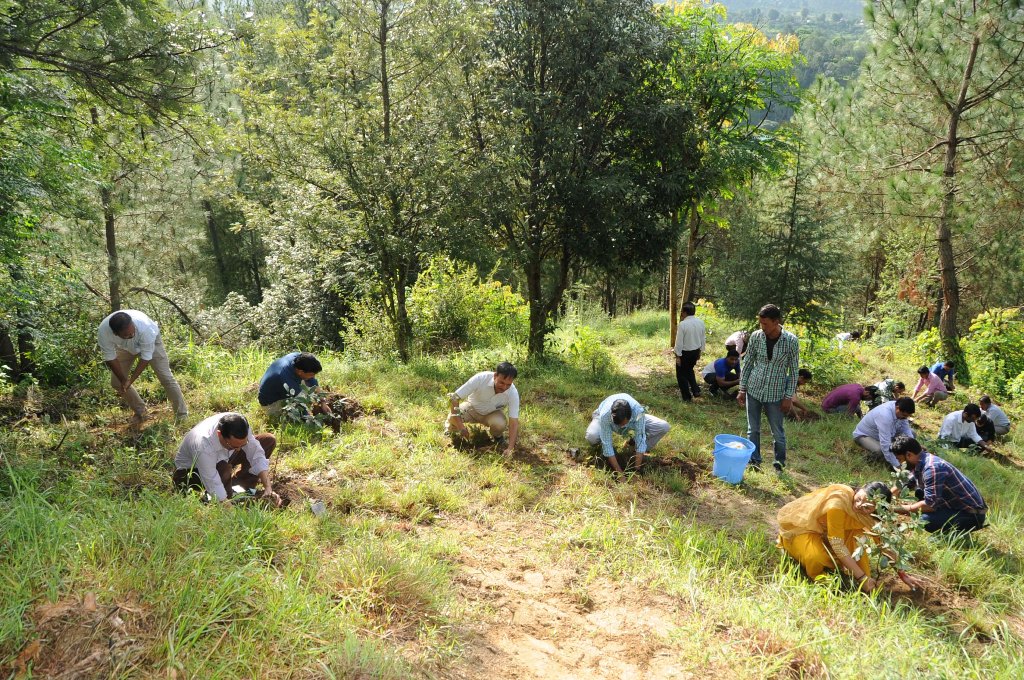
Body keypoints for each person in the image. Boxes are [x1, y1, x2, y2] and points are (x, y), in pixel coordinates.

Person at [777, 482, 922, 591]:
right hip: (806, 530)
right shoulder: (838, 503)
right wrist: (862, 578)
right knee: (816, 559)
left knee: (858, 538)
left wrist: (902, 574)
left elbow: (883, 543)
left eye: (867, 507)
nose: (859, 505)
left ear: (876, 510)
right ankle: (819, 575)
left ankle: (847, 567)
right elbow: (837, 544)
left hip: (833, 535)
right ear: (859, 490)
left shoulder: (870, 517)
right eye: (859, 498)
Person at [97, 309, 188, 428]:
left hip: (151, 343)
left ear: (132, 324)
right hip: (124, 347)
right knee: (117, 383)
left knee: (166, 378)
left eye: (132, 332)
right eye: (127, 335)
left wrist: (130, 380)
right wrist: (123, 380)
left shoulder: (145, 328)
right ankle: (141, 412)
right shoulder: (104, 332)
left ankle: (181, 415)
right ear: (115, 333)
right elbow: (110, 358)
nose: (131, 335)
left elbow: (146, 357)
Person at [737, 304, 800, 472]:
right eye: (760, 323)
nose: (762, 327)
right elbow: (748, 363)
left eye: (765, 324)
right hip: (754, 389)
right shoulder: (756, 337)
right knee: (752, 429)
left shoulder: (791, 341)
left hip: (776, 393)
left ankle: (779, 463)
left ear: (776, 322)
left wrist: (788, 397)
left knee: (777, 431)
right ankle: (754, 461)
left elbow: (793, 371)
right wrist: (742, 389)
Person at [173, 412, 281, 507]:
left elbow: (256, 453)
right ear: (219, 434)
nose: (239, 449)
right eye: (234, 446)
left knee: (268, 441)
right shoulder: (203, 445)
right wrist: (231, 511)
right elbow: (212, 481)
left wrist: (268, 488)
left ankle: (242, 486)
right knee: (224, 469)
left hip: (223, 459)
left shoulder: (240, 422)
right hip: (191, 474)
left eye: (243, 444)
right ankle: (224, 498)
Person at [891, 436, 986, 534]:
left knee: (924, 520)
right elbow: (907, 481)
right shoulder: (921, 460)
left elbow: (929, 505)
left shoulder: (932, 468)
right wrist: (888, 497)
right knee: (919, 492)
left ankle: (953, 531)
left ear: (909, 455)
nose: (900, 463)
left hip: (972, 515)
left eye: (900, 459)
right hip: (956, 506)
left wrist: (898, 509)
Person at [585, 393, 670, 477]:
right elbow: (607, 444)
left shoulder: (638, 412)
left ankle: (632, 446)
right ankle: (601, 451)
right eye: (619, 424)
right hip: (602, 417)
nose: (621, 427)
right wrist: (620, 474)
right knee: (592, 437)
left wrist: (636, 471)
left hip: (633, 420)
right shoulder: (605, 415)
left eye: (623, 424)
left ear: (630, 416)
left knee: (663, 427)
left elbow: (640, 438)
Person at [447, 362, 520, 456]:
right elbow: (454, 398)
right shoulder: (481, 378)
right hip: (471, 408)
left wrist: (510, 448)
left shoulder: (512, 393)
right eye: (501, 382)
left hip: (492, 413)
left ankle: (497, 437)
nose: (504, 387)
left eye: (508, 384)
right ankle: (450, 431)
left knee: (500, 424)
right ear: (495, 376)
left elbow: (513, 422)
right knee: (453, 417)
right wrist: (461, 426)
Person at [258, 352, 332, 420]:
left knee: (308, 390)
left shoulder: (299, 358)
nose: (313, 376)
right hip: (271, 403)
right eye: (311, 374)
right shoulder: (286, 379)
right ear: (300, 372)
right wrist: (310, 420)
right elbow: (301, 404)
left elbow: (312, 382)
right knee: (295, 417)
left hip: (283, 386)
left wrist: (323, 402)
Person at [852, 396, 916, 469]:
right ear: (897, 408)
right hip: (864, 436)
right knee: (879, 450)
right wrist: (897, 465)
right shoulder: (884, 415)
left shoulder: (900, 409)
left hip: (886, 434)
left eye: (906, 416)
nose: (904, 418)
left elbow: (906, 429)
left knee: (912, 433)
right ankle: (868, 459)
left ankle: (897, 455)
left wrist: (915, 447)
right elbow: (885, 444)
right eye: (904, 415)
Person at [672, 301, 706, 401]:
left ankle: (686, 397)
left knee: (681, 374)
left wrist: (678, 356)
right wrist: (700, 351)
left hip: (685, 353)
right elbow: (703, 338)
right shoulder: (700, 322)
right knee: (689, 370)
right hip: (695, 351)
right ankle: (696, 390)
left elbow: (679, 342)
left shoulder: (683, 324)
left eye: (682, 311)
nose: (681, 313)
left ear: (684, 312)